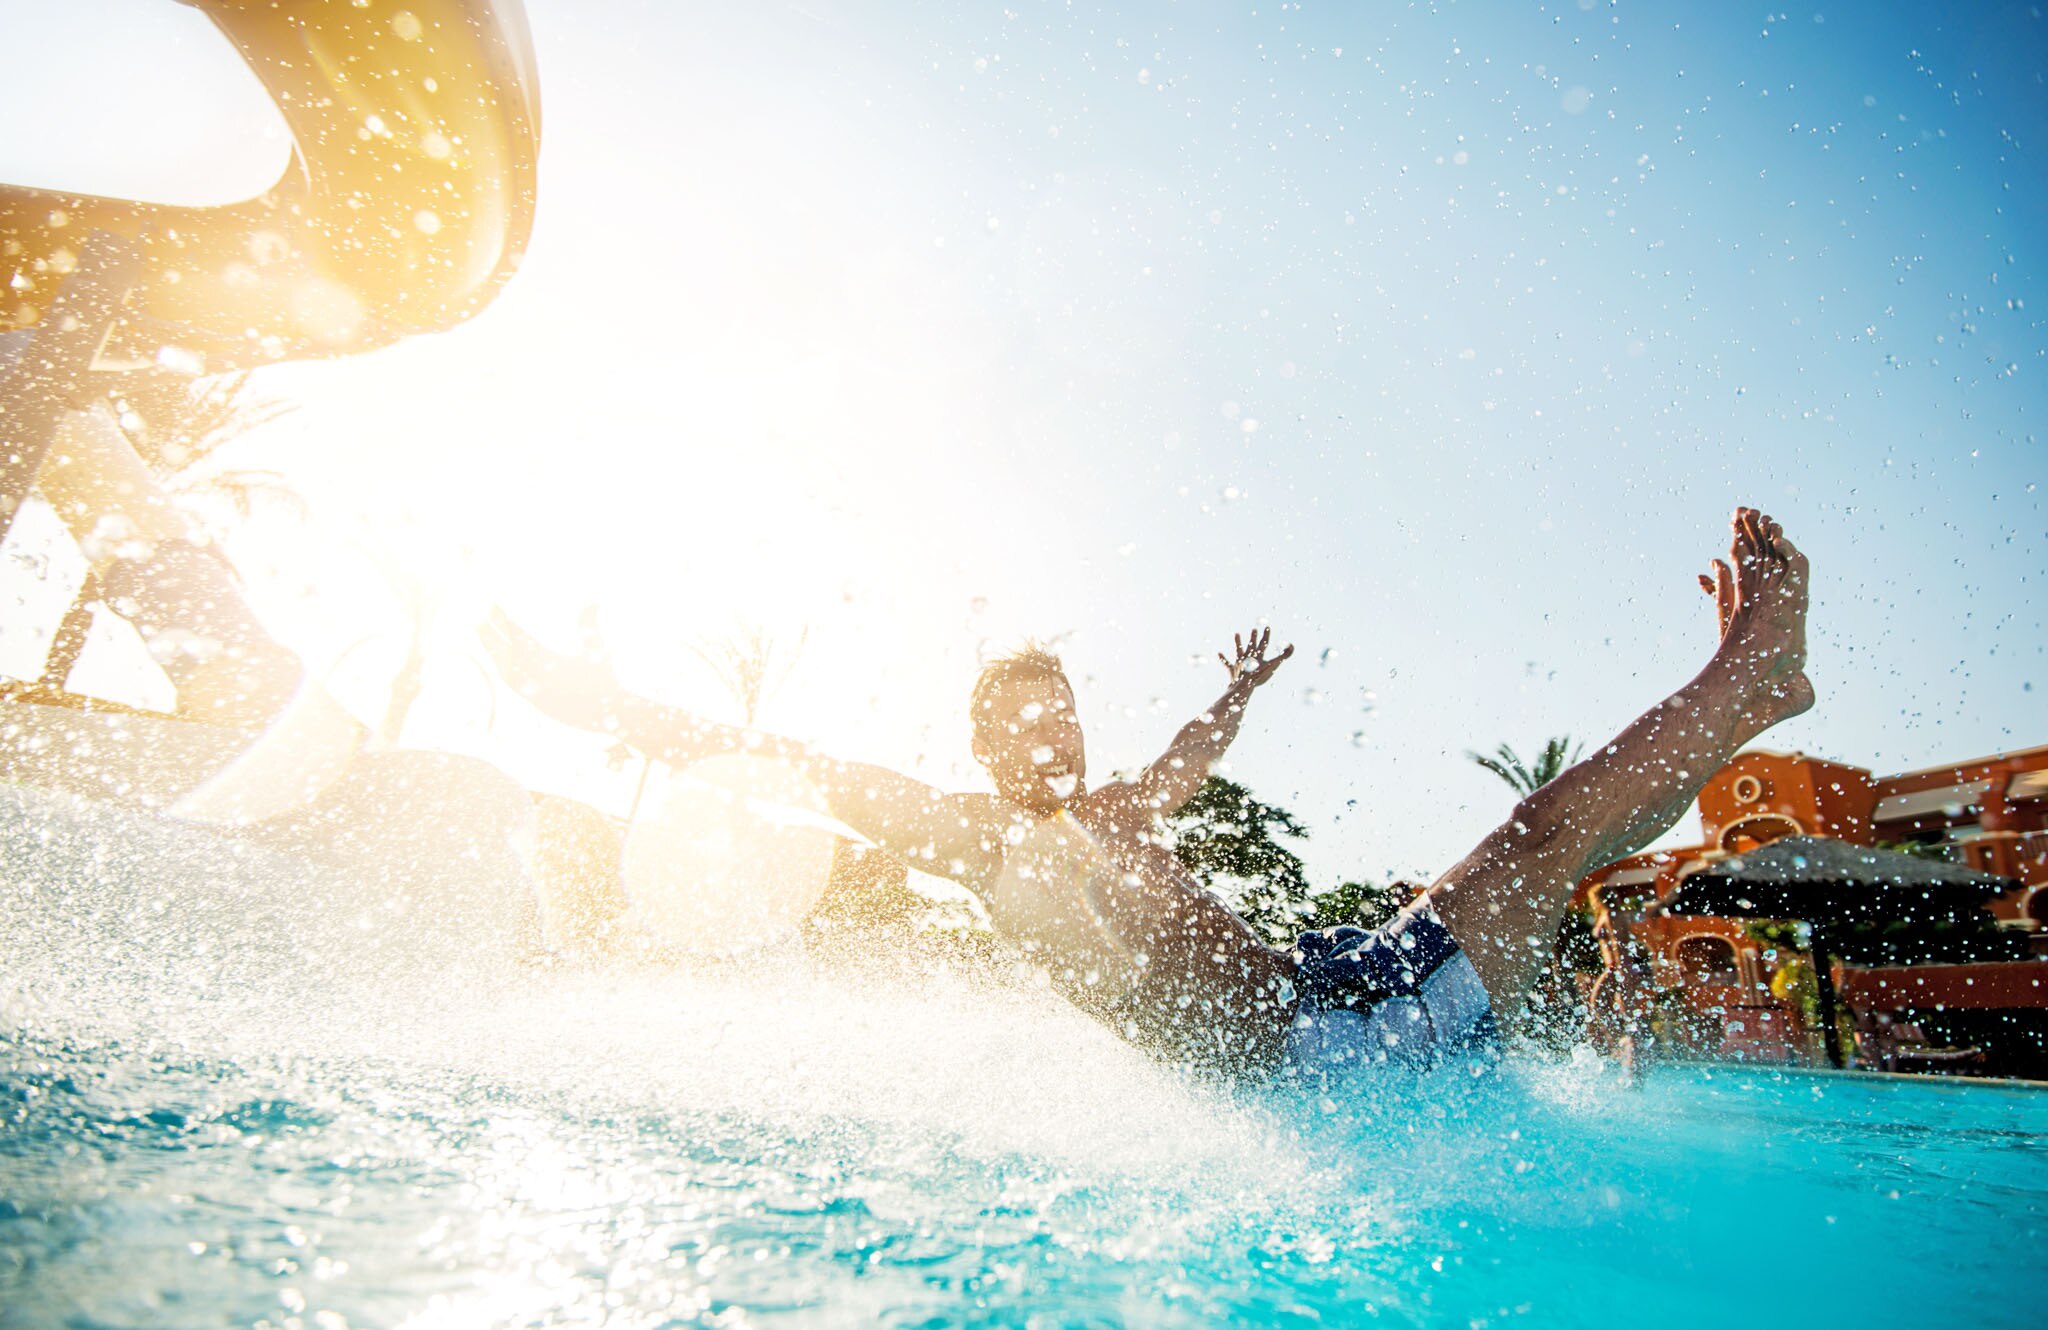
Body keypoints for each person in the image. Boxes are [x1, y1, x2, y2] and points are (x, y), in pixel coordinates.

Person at [485, 506, 1812, 1084]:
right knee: (1538, 835)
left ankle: (1745, 686)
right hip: (1330, 1054)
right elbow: (786, 764)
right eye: (1020, 725)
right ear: (985, 751)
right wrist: (586, 699)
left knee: (1536, 841)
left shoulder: (1111, 812)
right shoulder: (971, 836)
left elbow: (1186, 760)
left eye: (1061, 714)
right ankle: (1749, 680)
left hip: (1333, 982)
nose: (1050, 737)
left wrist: (1235, 697)